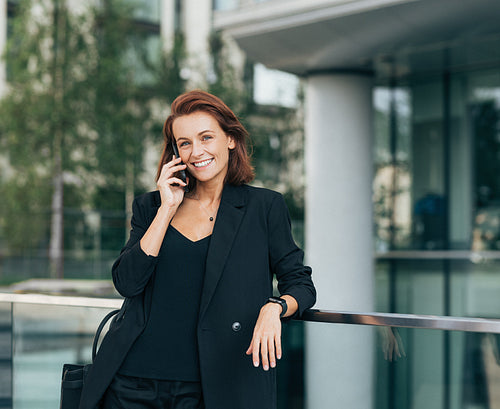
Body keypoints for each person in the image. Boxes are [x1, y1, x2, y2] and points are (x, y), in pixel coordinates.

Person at [79, 90, 316, 409]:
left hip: (214, 385)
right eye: (185, 142)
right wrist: (166, 210)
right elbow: (127, 283)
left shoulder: (264, 207)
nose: (196, 151)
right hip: (131, 382)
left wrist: (274, 307)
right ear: (174, 151)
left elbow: (300, 283)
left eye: (206, 137)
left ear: (230, 139)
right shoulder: (150, 206)